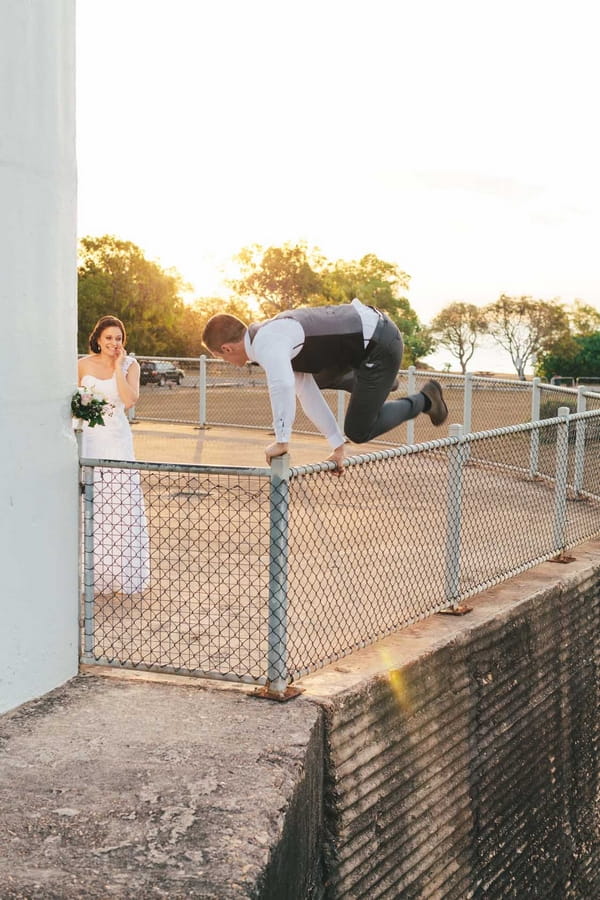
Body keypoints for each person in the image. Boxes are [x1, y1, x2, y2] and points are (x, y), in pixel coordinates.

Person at [202, 297, 448, 472]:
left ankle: (426, 399)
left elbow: (283, 387)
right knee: (314, 380)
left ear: (227, 348)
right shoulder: (271, 338)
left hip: (379, 344)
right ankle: (376, 383)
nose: (228, 362)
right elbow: (305, 391)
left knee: (359, 430)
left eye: (221, 356)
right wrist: (336, 444)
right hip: (363, 347)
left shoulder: (268, 343)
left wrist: (282, 441)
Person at [77, 315, 150, 595]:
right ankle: (93, 572)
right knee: (94, 501)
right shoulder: (82, 365)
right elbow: (75, 399)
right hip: (90, 438)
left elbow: (130, 400)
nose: (114, 343)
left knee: (120, 500)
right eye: (108, 338)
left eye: (118, 338)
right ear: (98, 338)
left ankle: (123, 574)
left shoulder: (131, 365)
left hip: (117, 439)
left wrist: (118, 367)